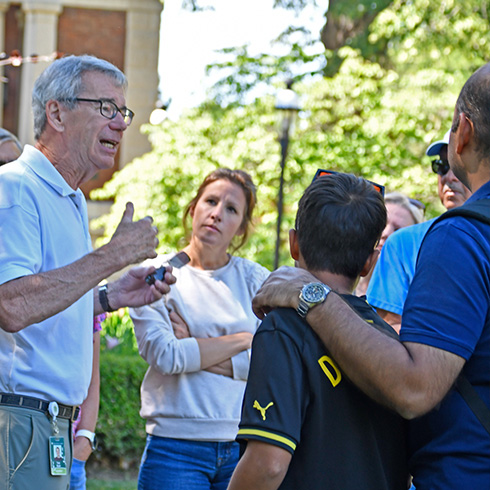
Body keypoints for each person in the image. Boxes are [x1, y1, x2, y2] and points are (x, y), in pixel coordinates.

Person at [251, 63, 490, 489]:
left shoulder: (464, 236)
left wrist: (309, 294)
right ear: (369, 262)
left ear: (464, 132)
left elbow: (414, 389)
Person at [0, 55, 174, 489]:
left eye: (123, 111)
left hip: (52, 426)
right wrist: (112, 255)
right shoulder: (15, 188)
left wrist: (111, 296)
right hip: (19, 421)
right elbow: (11, 305)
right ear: (56, 112)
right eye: (106, 108)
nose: (120, 123)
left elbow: (47, 307)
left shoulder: (70, 199)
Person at [227, 173, 408, 490]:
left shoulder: (283, 329)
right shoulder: (390, 344)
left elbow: (267, 465)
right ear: (369, 262)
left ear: (293, 243)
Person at [130, 168, 270, 490]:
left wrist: (192, 343)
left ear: (240, 228)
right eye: (211, 201)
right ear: (193, 208)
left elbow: (271, 360)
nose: (217, 214)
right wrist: (244, 339)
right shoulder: (155, 277)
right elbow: (166, 356)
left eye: (231, 209)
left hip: (242, 448)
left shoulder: (256, 281)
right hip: (175, 449)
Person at [366, 130, 471, 331]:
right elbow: (389, 329)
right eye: (442, 166)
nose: (449, 177)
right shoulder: (404, 243)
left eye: (461, 166)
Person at [356, 191, 424, 296]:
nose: (386, 233)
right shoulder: (336, 282)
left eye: (397, 231)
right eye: (382, 224)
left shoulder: (412, 298)